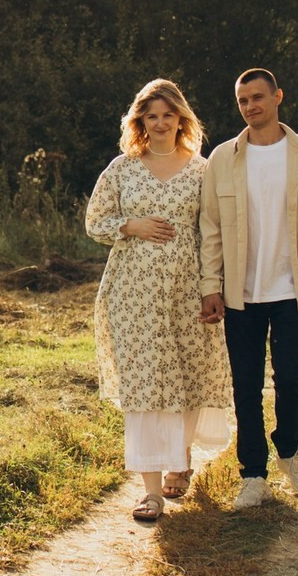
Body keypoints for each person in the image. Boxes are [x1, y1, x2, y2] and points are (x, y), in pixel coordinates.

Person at [198, 67, 298, 510]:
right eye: (243, 101)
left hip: (292, 288)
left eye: (258, 98)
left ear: (278, 96)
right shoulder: (223, 158)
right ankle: (253, 474)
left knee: (291, 380)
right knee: (245, 386)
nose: (250, 107)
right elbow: (211, 229)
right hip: (240, 293)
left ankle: (289, 452)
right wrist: (211, 285)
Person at [85, 79, 231, 522]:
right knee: (145, 385)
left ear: (181, 119)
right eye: (152, 116)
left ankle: (181, 459)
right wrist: (132, 226)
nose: (161, 123)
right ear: (140, 122)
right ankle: (149, 491)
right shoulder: (122, 168)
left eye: (169, 115)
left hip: (187, 289)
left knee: (185, 372)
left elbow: (213, 233)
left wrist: (212, 287)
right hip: (133, 294)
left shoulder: (203, 169)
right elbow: (95, 222)